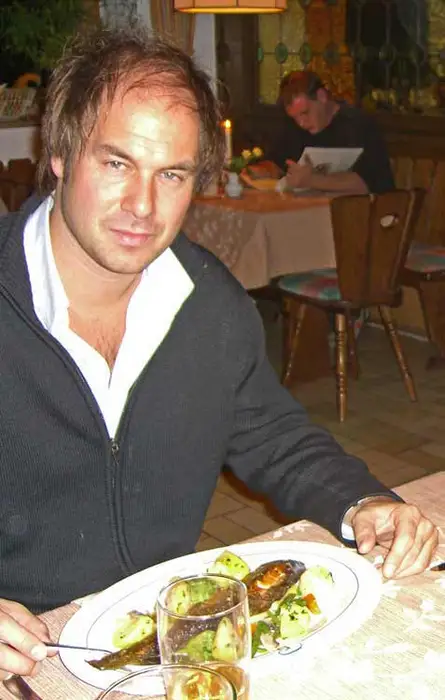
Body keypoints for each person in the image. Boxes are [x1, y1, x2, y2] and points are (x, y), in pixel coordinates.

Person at [0, 27, 437, 681]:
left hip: (169, 649)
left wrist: (362, 503)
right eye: (116, 164)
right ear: (60, 153)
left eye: (171, 174)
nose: (142, 206)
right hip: (28, 656)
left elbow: (271, 434)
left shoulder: (207, 299)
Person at [248, 70, 395, 194]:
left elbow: (368, 183)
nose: (301, 123)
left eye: (305, 113)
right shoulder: (293, 128)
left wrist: (312, 180)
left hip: (359, 213)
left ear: (321, 97)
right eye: (295, 117)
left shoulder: (359, 125)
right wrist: (259, 171)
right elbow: (276, 162)